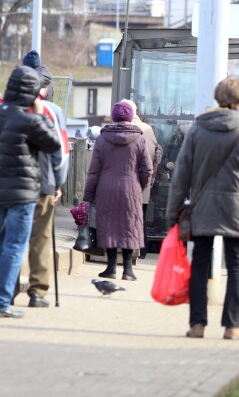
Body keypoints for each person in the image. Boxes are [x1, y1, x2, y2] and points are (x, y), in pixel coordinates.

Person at [167, 76, 239, 340]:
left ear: (217, 99)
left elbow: (182, 175)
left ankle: (197, 325)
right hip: (237, 207)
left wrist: (172, 212)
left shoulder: (198, 130)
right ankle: (232, 326)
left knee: (199, 264)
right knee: (235, 265)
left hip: (203, 206)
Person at [0, 66, 61, 318]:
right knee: (15, 245)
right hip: (23, 194)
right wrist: (42, 116)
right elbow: (53, 144)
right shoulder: (30, 120)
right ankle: (3, 302)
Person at [13, 62, 70, 308]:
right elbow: (62, 150)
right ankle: (37, 291)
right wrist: (59, 182)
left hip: (10, 186)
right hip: (43, 184)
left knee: (11, 238)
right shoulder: (52, 111)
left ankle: (8, 288)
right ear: (43, 88)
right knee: (41, 239)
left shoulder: (5, 105)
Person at [83, 102, 153, 281]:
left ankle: (111, 267)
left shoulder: (101, 138)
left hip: (106, 188)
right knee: (130, 225)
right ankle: (128, 270)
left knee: (108, 225)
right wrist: (140, 185)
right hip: (131, 187)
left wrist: (89, 195)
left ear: (114, 117)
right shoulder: (139, 138)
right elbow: (147, 170)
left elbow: (94, 171)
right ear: (130, 117)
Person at [121, 99, 163, 259]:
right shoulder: (147, 129)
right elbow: (156, 153)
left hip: (123, 181)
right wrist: (151, 178)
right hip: (143, 181)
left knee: (124, 217)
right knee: (141, 218)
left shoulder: (119, 127)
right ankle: (142, 250)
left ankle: (125, 252)